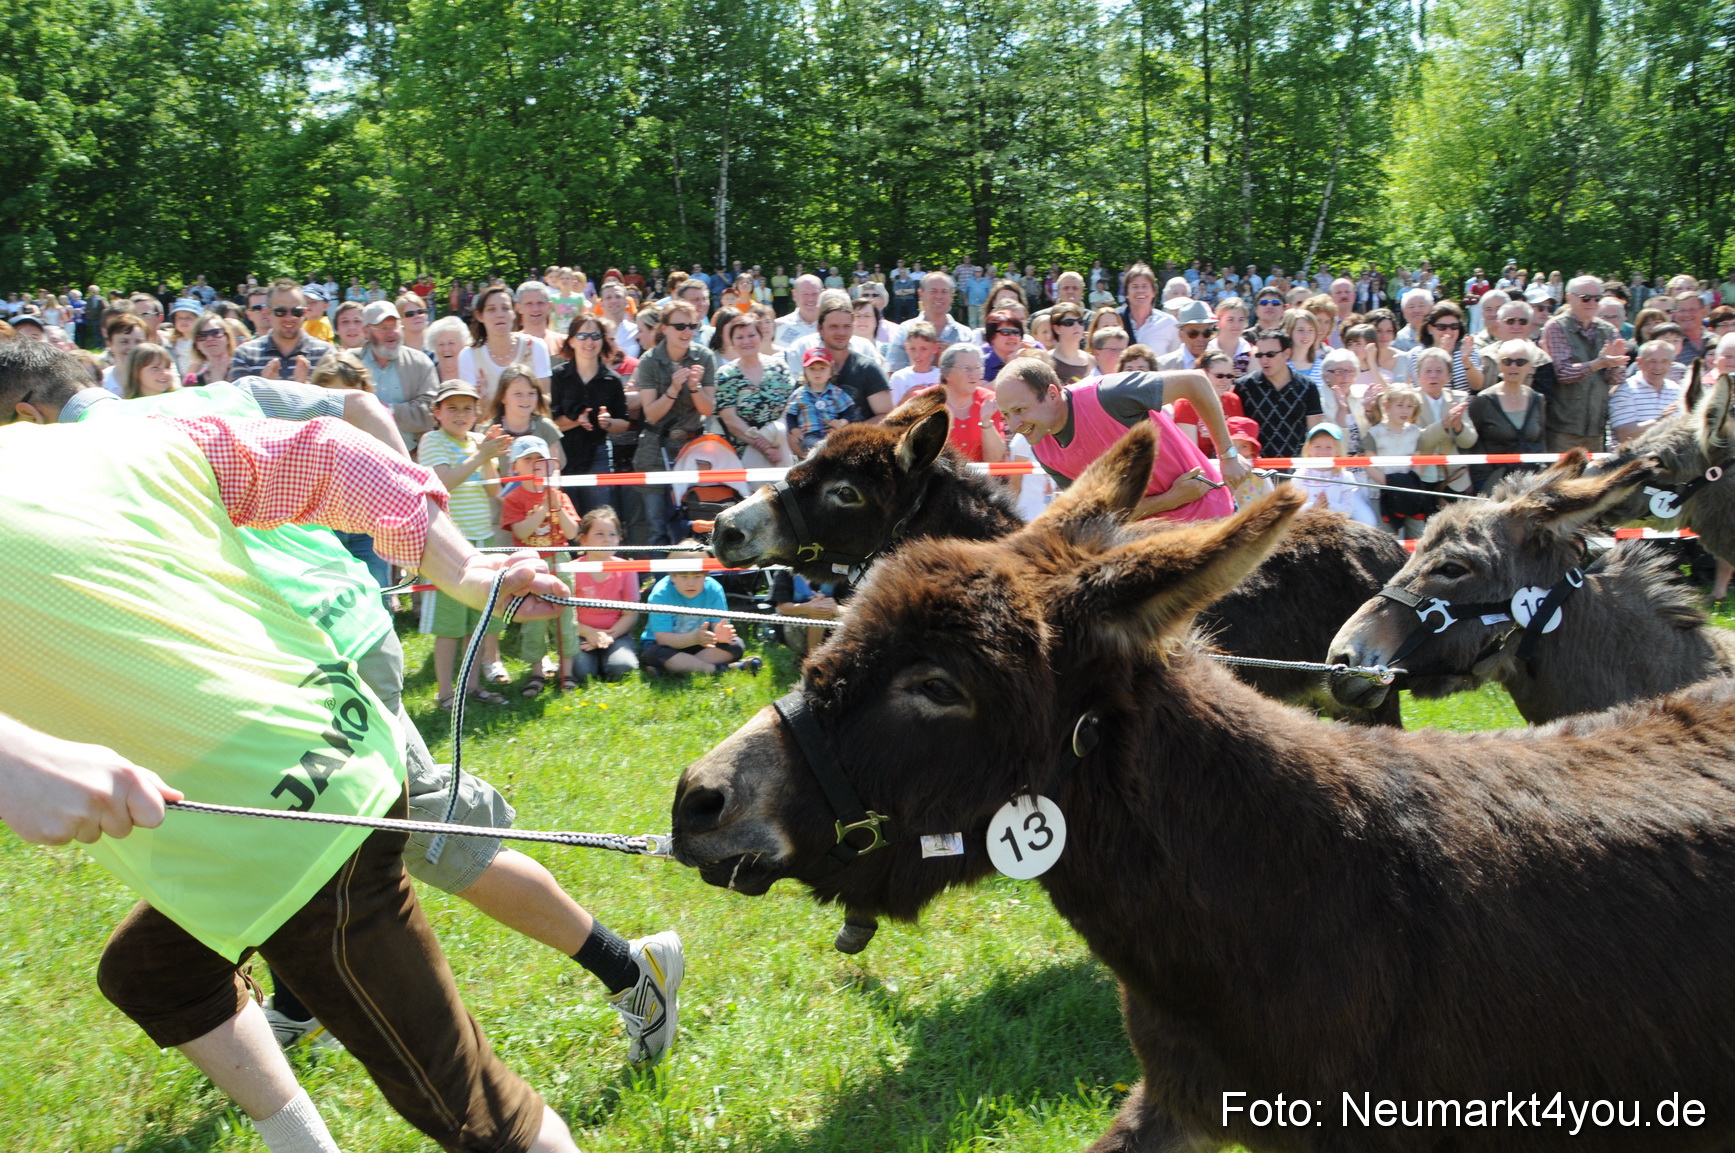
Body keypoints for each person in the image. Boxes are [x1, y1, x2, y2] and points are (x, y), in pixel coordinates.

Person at [0, 345, 674, 1150]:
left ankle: (627, 970)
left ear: (23, 416)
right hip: (334, 716)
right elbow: (334, 445)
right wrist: (465, 571)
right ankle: (304, 1074)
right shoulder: (156, 425)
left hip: (276, 799)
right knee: (153, 970)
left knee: (476, 1111)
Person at [993, 359, 1246, 522]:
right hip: (1152, 544)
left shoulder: (1109, 394)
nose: (1014, 425)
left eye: (1020, 410)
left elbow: (1196, 381)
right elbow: (1099, 516)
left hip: (1212, 520)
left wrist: (1228, 455)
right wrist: (1170, 500)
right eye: (1006, 415)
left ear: (1051, 394)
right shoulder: (1043, 449)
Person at [418, 382, 512, 708]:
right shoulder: (431, 441)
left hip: (482, 541)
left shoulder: (477, 441)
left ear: (477, 413)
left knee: (477, 620)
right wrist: (481, 455)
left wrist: (488, 452)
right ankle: (445, 693)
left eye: (467, 408)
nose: (461, 415)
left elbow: (494, 492)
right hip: (447, 545)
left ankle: (471, 688)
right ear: (438, 412)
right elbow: (443, 483)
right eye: (453, 408)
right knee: (450, 625)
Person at [631, 299, 718, 546]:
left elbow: (708, 409)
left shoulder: (705, 356)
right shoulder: (649, 360)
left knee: (698, 523)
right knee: (657, 528)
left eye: (692, 325)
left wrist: (694, 387)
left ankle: (700, 581)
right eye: (679, 326)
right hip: (655, 451)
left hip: (693, 449)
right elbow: (651, 414)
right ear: (664, 328)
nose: (687, 332)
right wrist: (673, 388)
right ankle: (660, 582)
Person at [498, 435, 580, 697]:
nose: (535, 464)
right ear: (515, 466)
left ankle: (567, 672)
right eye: (528, 459)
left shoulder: (559, 495)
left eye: (540, 460)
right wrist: (543, 508)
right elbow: (521, 532)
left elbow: (573, 531)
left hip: (561, 563)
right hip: (530, 566)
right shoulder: (514, 499)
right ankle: (536, 673)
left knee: (566, 618)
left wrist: (558, 507)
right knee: (534, 620)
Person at [550, 313, 631, 511]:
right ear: (571, 341)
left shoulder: (612, 380)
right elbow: (549, 423)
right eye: (582, 336)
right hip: (564, 455)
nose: (589, 341)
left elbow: (625, 423)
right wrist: (578, 420)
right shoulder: (558, 376)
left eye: (595, 336)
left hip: (599, 453)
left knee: (599, 514)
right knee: (569, 516)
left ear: (602, 341)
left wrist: (608, 423)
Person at [1540, 274, 1628, 451]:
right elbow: (1562, 373)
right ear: (1569, 298)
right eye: (1586, 298)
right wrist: (1598, 363)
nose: (1592, 303)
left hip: (1596, 426)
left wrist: (1615, 365)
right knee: (1563, 478)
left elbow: (1616, 378)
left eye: (1597, 298)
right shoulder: (1556, 327)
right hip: (1563, 428)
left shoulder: (1608, 329)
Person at [640, 562, 762, 676]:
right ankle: (723, 669)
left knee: (736, 645)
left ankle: (675, 668)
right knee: (656, 654)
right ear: (672, 576)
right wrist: (694, 638)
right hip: (667, 645)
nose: (691, 583)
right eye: (684, 577)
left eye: (697, 576)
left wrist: (720, 634)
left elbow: (718, 628)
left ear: (705, 575)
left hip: (701, 645)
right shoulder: (661, 593)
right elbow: (663, 639)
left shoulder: (714, 588)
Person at [565, 506, 641, 683]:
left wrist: (608, 637)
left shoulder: (627, 569)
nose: (607, 540)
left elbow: (630, 614)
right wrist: (589, 633)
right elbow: (564, 614)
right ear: (583, 539)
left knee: (623, 668)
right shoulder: (571, 570)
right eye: (599, 534)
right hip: (580, 634)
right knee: (582, 672)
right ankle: (594, 661)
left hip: (616, 634)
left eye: (612, 534)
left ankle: (607, 659)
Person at [713, 311, 794, 467]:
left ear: (760, 336)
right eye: (740, 337)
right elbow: (730, 420)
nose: (746, 341)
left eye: (751, 335)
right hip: (742, 456)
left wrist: (776, 441)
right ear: (732, 341)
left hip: (781, 448)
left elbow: (791, 405)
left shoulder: (779, 368)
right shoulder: (726, 374)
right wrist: (765, 447)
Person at [1467, 339, 1549, 492]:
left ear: (1530, 366)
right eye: (1507, 361)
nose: (1513, 366)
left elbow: (1541, 440)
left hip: (1531, 480)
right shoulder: (1484, 400)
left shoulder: (1537, 399)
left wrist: (1544, 472)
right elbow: (1470, 443)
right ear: (1499, 365)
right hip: (1492, 481)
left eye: (1520, 362)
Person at [1234, 328, 1325, 458]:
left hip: (1295, 468)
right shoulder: (1243, 387)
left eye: (1270, 354)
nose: (1264, 360)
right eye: (1260, 355)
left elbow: (1315, 433)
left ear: (1286, 354)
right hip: (1257, 470)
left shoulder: (1308, 386)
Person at [1358, 383, 1433, 537]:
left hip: (1409, 491)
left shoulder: (1415, 432)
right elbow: (1369, 466)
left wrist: (1408, 484)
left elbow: (1417, 463)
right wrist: (1391, 483)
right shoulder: (1374, 433)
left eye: (1409, 406)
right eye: (1400, 405)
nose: (1405, 410)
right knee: (1386, 538)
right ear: (1386, 406)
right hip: (1381, 493)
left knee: (1419, 536)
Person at [459, 285, 553, 405]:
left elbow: (545, 398)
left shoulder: (535, 347)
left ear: (513, 313)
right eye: (491, 310)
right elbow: (468, 410)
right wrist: (482, 398)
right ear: (480, 316)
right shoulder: (468, 355)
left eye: (505, 308)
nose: (500, 315)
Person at [232, 278, 333, 382]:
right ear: (267, 312)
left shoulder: (326, 354)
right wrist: (264, 387)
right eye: (280, 311)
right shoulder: (245, 354)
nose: (289, 318)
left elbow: (333, 397)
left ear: (305, 312)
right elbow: (239, 398)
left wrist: (304, 386)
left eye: (296, 312)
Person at [919, 343, 1006, 463]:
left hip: (979, 479)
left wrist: (986, 423)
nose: (973, 374)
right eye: (966, 368)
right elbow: (920, 455)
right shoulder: (925, 401)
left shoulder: (989, 400)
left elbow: (994, 460)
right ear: (946, 373)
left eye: (977, 368)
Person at [1292, 422, 1379, 526]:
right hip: (1306, 528)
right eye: (1317, 446)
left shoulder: (1345, 477)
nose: (1323, 451)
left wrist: (1329, 506)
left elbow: (1348, 509)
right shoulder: (1300, 475)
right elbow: (1293, 509)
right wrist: (1313, 506)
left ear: (1337, 450)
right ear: (1308, 449)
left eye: (1329, 447)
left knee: (1369, 522)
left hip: (1335, 528)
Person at [885, 272, 972, 371]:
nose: (939, 296)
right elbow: (892, 371)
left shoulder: (965, 335)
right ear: (921, 294)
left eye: (944, 291)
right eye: (933, 291)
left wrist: (950, 360)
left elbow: (973, 375)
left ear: (952, 296)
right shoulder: (905, 331)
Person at [1609, 340, 1684, 445]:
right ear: (1639, 363)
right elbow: (1623, 435)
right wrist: (1660, 421)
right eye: (1652, 361)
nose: (1658, 367)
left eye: (1664, 361)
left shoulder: (1677, 391)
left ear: (1671, 364)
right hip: (1633, 458)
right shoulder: (1626, 391)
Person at [785, 346, 854, 457]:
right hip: (809, 435)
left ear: (830, 372)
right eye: (812, 369)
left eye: (822, 368)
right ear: (805, 372)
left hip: (832, 432)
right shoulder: (799, 394)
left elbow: (848, 411)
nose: (817, 372)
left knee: (844, 446)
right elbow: (790, 415)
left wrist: (842, 423)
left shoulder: (836, 393)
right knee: (814, 447)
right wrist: (794, 430)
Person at [1115, 262, 1180, 356]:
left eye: (1145, 286)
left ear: (1153, 292)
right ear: (1126, 293)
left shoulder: (1169, 323)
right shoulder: (1116, 320)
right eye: (1135, 286)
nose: (1140, 290)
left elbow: (1176, 361)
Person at [888, 320, 942, 403]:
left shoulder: (942, 377)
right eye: (912, 349)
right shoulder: (899, 378)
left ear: (935, 348)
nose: (917, 354)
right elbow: (891, 413)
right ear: (906, 348)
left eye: (923, 349)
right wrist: (905, 399)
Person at [184, 312, 242, 387]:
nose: (209, 338)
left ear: (227, 338)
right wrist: (217, 379)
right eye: (202, 335)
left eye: (215, 333)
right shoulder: (192, 382)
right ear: (197, 345)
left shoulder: (244, 369)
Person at [1156, 300, 1216, 371]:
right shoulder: (1163, 365)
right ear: (1181, 335)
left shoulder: (1219, 363)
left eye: (1206, 333)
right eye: (1193, 333)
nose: (1200, 338)